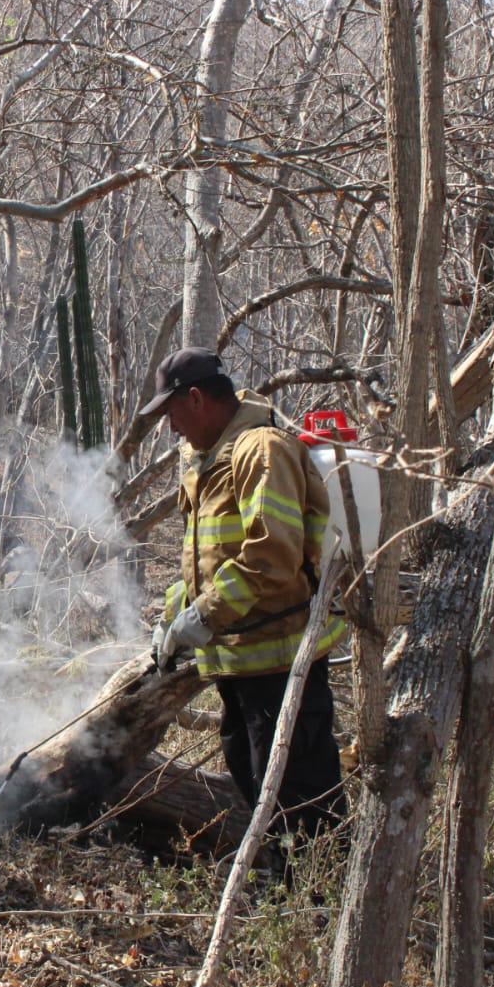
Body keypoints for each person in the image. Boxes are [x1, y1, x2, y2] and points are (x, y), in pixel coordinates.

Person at [142, 347, 347, 844]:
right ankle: (282, 890)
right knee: (256, 784)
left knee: (300, 796)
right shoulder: (209, 458)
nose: (171, 429)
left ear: (196, 399)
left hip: (281, 662)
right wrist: (173, 618)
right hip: (238, 663)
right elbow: (208, 559)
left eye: (171, 414)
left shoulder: (262, 451)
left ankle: (318, 906)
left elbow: (270, 556)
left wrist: (203, 618)